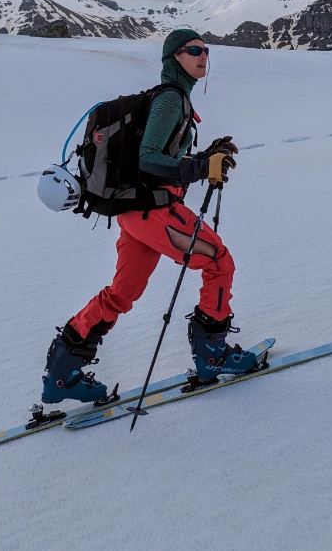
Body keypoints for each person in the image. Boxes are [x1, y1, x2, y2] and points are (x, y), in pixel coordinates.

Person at [41, 28, 260, 404]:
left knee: (122, 293)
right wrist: (202, 166)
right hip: (152, 211)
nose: (203, 55)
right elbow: (150, 160)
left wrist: (204, 156)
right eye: (194, 49)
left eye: (206, 50)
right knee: (219, 263)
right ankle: (212, 355)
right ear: (173, 57)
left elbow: (165, 156)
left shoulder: (174, 100)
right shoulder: (170, 100)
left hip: (133, 214)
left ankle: (62, 375)